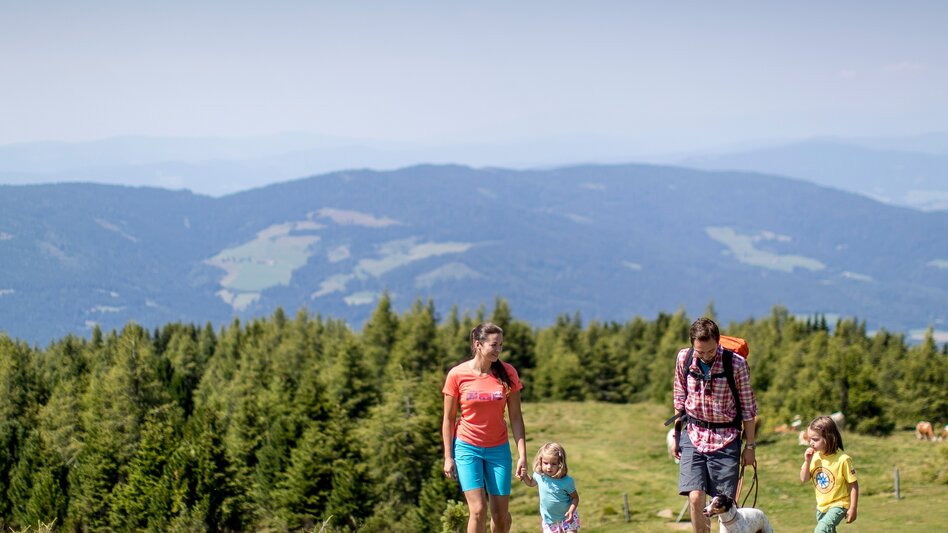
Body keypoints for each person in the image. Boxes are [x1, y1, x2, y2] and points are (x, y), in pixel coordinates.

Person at [671, 318, 758, 533]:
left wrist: (750, 447)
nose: (706, 357)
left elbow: (748, 408)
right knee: (695, 496)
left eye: (711, 351)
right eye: (700, 352)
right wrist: (676, 436)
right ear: (692, 344)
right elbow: (679, 398)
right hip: (694, 434)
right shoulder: (684, 358)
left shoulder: (736, 364)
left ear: (718, 342)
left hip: (726, 438)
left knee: (724, 505)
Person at [443, 322, 527, 533]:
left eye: (500, 345)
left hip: (498, 449)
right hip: (467, 448)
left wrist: (522, 455)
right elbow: (448, 419)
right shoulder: (457, 374)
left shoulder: (508, 373)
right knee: (478, 510)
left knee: (500, 516)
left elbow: (516, 417)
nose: (498, 350)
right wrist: (448, 456)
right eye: (493, 345)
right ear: (478, 345)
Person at [801, 415, 859, 532]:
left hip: (839, 505)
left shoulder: (843, 459)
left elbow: (854, 485)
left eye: (815, 439)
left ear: (829, 438)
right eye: (809, 439)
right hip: (821, 507)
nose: (811, 443)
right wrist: (807, 461)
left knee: (820, 530)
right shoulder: (814, 457)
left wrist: (853, 508)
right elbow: (804, 478)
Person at [518, 442, 580, 533]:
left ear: (560, 463)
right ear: (540, 461)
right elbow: (531, 483)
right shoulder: (539, 476)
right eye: (545, 463)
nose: (549, 467)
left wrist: (571, 511)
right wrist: (525, 476)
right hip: (550, 521)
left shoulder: (566, 481)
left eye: (553, 464)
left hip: (567, 518)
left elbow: (575, 498)